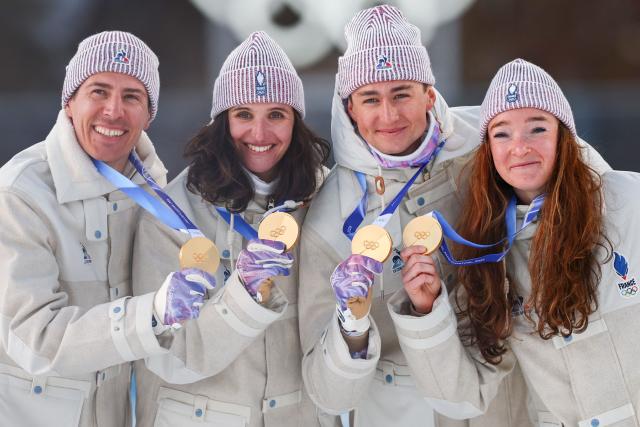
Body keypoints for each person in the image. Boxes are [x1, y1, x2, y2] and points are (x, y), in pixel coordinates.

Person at [298, 5, 611, 427]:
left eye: (402, 94)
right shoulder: (328, 217)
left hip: (513, 401)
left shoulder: (491, 140)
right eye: (370, 99)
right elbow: (325, 392)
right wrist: (350, 323)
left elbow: (590, 183)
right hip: (401, 412)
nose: (388, 115)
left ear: (429, 93)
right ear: (349, 107)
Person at [389, 57, 640, 426]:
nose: (518, 147)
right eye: (502, 133)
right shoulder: (486, 254)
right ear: (488, 151)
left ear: (564, 136)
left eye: (536, 128)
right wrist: (427, 311)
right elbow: (463, 395)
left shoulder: (627, 202)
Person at [0, 31, 208, 427]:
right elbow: (35, 340)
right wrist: (152, 313)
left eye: (132, 96)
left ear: (149, 115)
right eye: (98, 91)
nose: (113, 111)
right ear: (70, 102)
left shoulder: (158, 198)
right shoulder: (20, 194)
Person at [131, 31, 336, 427]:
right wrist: (242, 294)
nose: (259, 135)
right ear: (222, 122)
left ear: (296, 122)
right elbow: (165, 355)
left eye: (276, 114)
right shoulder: (171, 213)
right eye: (244, 114)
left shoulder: (328, 198)